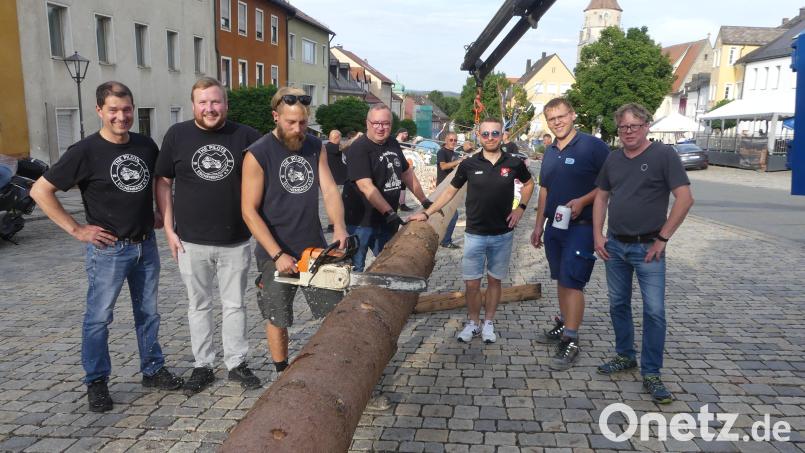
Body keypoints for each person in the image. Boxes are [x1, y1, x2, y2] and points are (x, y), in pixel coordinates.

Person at [30, 81, 183, 413]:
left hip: (145, 246)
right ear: (99, 110)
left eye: (127, 109)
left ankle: (153, 370)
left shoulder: (145, 145)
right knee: (99, 318)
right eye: (113, 110)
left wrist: (160, 211)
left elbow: (159, 181)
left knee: (149, 314)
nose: (121, 116)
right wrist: (76, 229)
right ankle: (96, 381)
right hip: (109, 251)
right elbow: (40, 191)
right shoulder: (84, 151)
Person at [154, 77, 262, 395]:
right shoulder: (177, 135)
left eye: (215, 102)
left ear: (225, 104)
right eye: (203, 102)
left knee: (234, 306)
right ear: (194, 105)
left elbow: (264, 179)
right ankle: (203, 365)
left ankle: (236, 363)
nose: (210, 108)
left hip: (236, 240)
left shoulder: (246, 136)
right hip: (191, 241)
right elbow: (163, 182)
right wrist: (170, 231)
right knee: (198, 306)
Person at [241, 87, 348, 374]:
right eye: (290, 122)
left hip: (314, 248)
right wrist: (277, 254)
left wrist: (339, 226)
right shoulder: (258, 153)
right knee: (278, 316)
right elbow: (248, 211)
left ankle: (332, 368)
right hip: (275, 251)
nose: (297, 128)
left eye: (302, 122)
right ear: (276, 116)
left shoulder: (315, 145)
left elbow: (328, 188)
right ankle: (281, 371)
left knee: (333, 313)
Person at [593, 103, 694, 404]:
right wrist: (597, 233)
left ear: (646, 126)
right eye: (623, 127)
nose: (628, 132)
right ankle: (625, 355)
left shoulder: (664, 155)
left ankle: (652, 372)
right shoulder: (613, 159)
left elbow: (685, 199)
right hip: (616, 245)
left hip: (649, 247)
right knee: (618, 304)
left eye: (634, 126)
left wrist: (663, 238)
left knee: (654, 311)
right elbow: (601, 196)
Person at [410, 118, 534, 344]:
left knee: (495, 281)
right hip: (475, 234)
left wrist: (520, 208)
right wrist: (427, 213)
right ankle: (473, 322)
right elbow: (448, 193)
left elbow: (529, 185)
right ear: (478, 136)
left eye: (495, 133)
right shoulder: (469, 164)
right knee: (472, 284)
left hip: (502, 234)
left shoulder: (513, 163)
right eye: (485, 134)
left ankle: (488, 323)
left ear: (502, 135)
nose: (490, 138)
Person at [530, 98, 610, 370]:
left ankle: (571, 340)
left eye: (562, 116)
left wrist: (584, 201)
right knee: (561, 279)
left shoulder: (593, 146)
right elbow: (545, 190)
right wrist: (538, 224)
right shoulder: (551, 150)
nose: (558, 122)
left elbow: (610, 183)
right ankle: (564, 324)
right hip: (555, 225)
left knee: (573, 281)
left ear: (573, 115)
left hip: (582, 226)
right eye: (552, 119)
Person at [341, 105, 432, 272]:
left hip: (386, 221)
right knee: (355, 269)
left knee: (390, 265)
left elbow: (407, 174)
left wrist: (425, 201)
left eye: (385, 123)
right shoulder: (359, 148)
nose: (381, 128)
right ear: (367, 123)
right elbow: (365, 186)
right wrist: (389, 212)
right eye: (376, 123)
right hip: (361, 222)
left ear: (391, 125)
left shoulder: (392, 143)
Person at [436, 132, 466, 249]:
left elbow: (454, 168)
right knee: (453, 215)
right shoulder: (441, 152)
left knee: (448, 215)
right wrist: (459, 161)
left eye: (455, 140)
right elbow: (443, 166)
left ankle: (442, 238)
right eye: (451, 140)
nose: (453, 142)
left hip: (451, 188)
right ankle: (445, 240)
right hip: (443, 188)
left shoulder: (454, 153)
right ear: (446, 140)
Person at [325, 129, 347, 232]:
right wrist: (356, 139)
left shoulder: (333, 147)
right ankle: (334, 224)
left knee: (335, 203)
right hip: (336, 180)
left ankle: (333, 224)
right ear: (337, 138)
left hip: (339, 180)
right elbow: (343, 147)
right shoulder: (329, 146)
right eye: (339, 138)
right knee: (336, 203)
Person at [396, 129, 412, 211]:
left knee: (402, 185)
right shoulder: (396, 142)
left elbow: (409, 148)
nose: (406, 136)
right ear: (400, 134)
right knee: (398, 185)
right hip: (397, 165)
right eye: (405, 134)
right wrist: (415, 141)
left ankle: (401, 204)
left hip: (402, 165)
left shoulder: (403, 143)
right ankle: (400, 204)